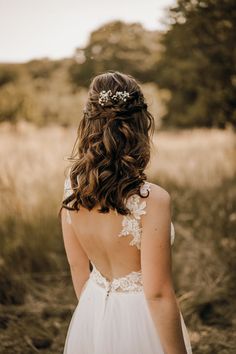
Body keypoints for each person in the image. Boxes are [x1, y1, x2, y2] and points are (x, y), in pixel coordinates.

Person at [60, 71, 192, 354]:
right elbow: (157, 294)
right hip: (140, 317)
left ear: (89, 122)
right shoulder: (152, 199)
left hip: (93, 305)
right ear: (140, 124)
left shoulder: (73, 186)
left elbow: (77, 266)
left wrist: (98, 318)